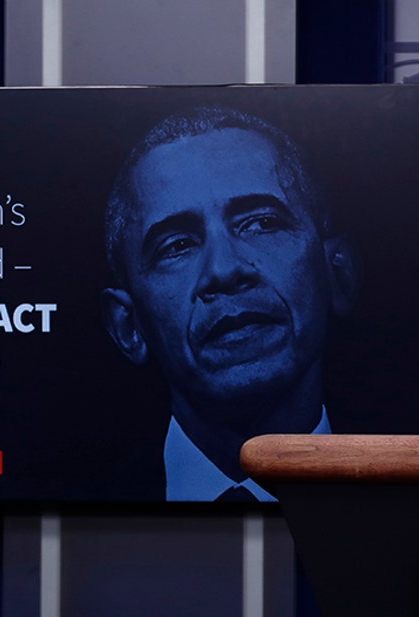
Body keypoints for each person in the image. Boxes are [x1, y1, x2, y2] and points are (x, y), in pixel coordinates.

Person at [101, 106, 358, 502]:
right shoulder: (71, 510)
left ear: (338, 274)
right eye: (177, 245)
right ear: (128, 327)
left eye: (262, 223)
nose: (224, 270)